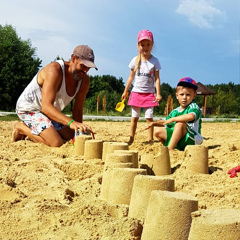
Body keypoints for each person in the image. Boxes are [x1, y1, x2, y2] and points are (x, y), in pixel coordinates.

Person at [12, 45, 98, 147]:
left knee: (71, 134)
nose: (85, 70)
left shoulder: (84, 80)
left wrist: (79, 130)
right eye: (83, 65)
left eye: (88, 67)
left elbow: (78, 111)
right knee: (55, 143)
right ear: (74, 58)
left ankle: (41, 130)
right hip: (30, 108)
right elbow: (46, 107)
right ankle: (20, 128)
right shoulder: (55, 70)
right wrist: (72, 123)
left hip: (48, 113)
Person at [121, 29, 162, 145]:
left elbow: (157, 79)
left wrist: (158, 93)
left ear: (152, 44)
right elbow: (130, 77)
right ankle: (131, 138)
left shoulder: (155, 61)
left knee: (149, 117)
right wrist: (125, 91)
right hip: (136, 93)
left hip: (149, 94)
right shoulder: (135, 60)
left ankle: (150, 139)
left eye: (148, 44)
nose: (145, 47)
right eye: (142, 45)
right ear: (138, 45)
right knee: (135, 117)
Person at [143, 77, 203, 151]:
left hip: (192, 139)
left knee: (180, 123)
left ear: (194, 95)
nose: (184, 97)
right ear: (177, 95)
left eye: (188, 95)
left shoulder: (193, 106)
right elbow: (166, 122)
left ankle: (169, 149)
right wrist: (153, 123)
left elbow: (191, 116)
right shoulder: (175, 111)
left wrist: (173, 119)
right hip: (180, 139)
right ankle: (173, 146)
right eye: (182, 94)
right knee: (158, 131)